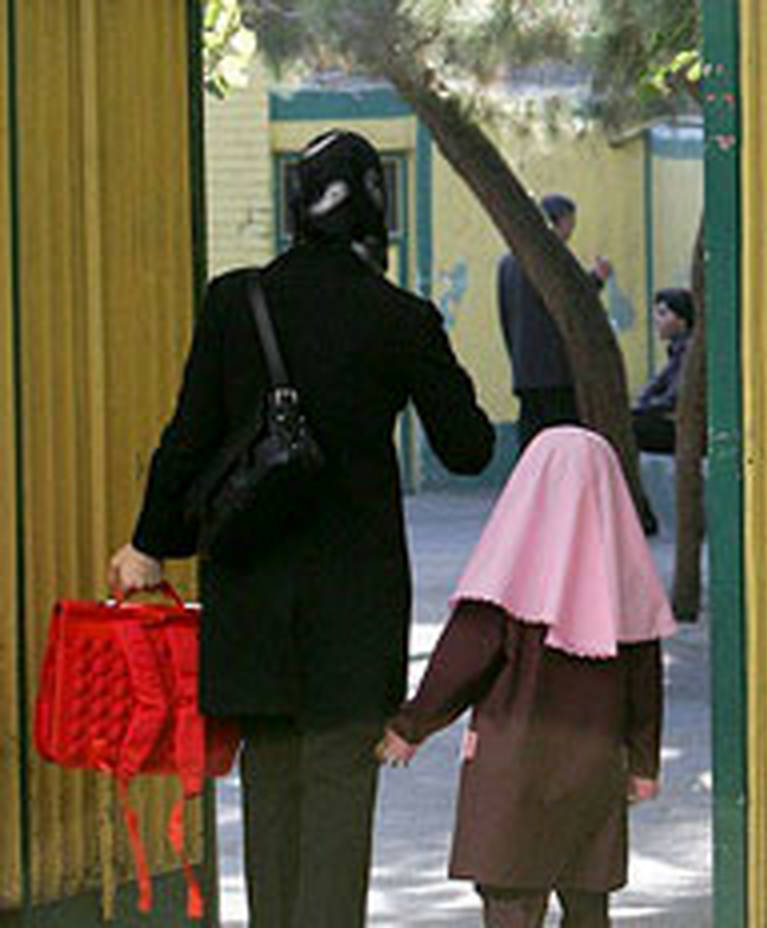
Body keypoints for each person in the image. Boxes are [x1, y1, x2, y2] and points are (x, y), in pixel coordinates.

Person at [107, 130, 495, 928]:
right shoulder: (401, 317)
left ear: (295, 204)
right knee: (338, 803)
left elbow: (188, 434)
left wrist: (148, 542)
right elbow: (468, 449)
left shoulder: (235, 301)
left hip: (251, 592)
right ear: (376, 209)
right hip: (355, 608)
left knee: (271, 792)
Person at [377, 426, 676, 927]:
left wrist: (411, 727)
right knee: (588, 902)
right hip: (594, 769)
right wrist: (644, 764)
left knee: (511, 900)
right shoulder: (629, 581)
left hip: (511, 770)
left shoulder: (504, 572)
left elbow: (461, 662)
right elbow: (645, 687)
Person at [497, 194, 613, 450]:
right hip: (557, 369)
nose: (571, 230)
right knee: (563, 439)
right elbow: (573, 299)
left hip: (525, 369)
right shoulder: (552, 257)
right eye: (571, 222)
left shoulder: (508, 262)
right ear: (561, 221)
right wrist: (597, 279)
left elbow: (506, 316)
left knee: (532, 440)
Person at [632, 287, 694, 455]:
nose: (656, 320)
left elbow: (673, 397)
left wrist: (642, 409)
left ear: (682, 319)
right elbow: (655, 386)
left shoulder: (688, 351)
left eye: (663, 314)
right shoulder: (677, 351)